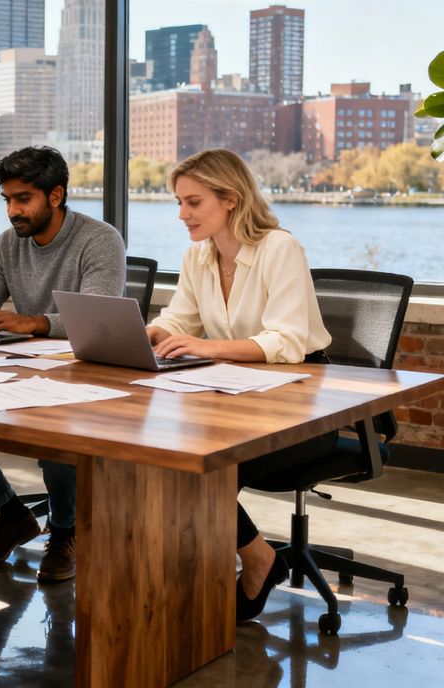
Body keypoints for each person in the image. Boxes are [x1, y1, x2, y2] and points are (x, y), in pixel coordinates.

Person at [145, 148, 331, 623]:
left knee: (195, 468)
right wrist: (153, 332)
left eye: (193, 202)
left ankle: (258, 557)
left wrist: (208, 348)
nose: (181, 215)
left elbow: (286, 339)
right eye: (178, 203)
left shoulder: (278, 248)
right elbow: (179, 318)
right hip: (233, 395)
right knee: (163, 456)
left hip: (299, 405)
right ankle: (188, 577)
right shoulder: (197, 256)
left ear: (230, 199)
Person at [0, 146, 126, 583]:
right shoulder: (8, 244)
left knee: (58, 446)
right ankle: (11, 515)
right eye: (7, 200)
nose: (12, 211)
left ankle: (65, 532)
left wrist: (36, 322)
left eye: (23, 199)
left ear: (55, 195)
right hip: (23, 365)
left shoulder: (100, 240)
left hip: (86, 370)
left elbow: (97, 318)